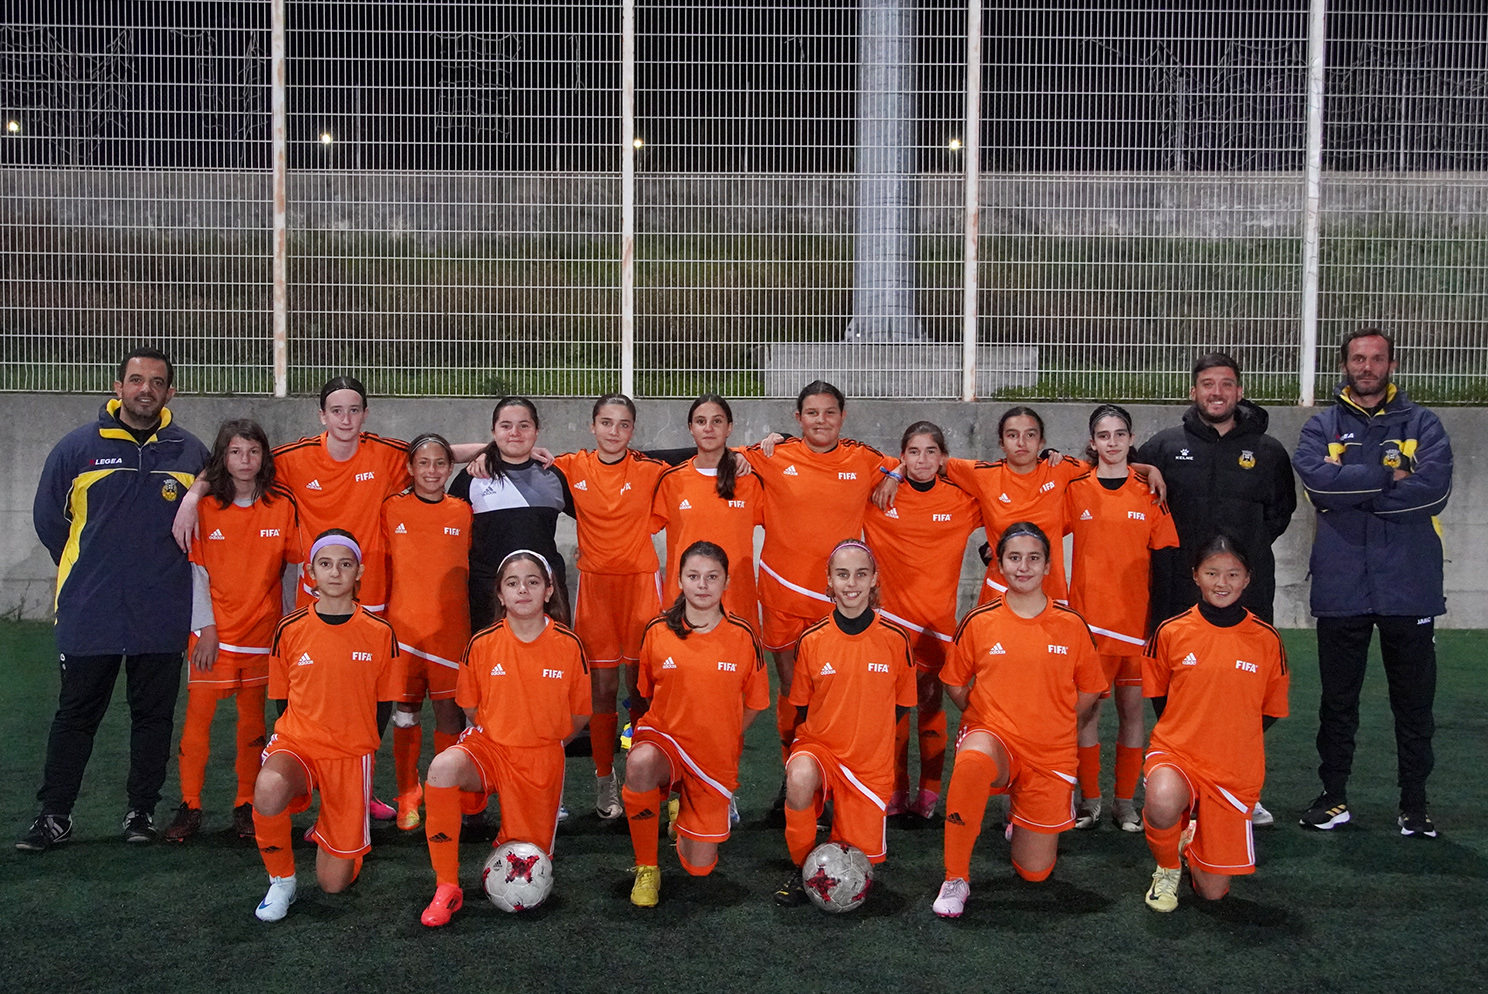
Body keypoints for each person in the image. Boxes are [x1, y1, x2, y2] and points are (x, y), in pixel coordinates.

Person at [20, 347, 210, 851]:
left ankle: (140, 813)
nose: (144, 389)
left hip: (162, 611)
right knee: (76, 715)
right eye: (135, 380)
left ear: (171, 392)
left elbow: (211, 521)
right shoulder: (76, 447)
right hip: (91, 610)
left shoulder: (190, 452)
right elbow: (48, 519)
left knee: (153, 718)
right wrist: (92, 567)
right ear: (118, 387)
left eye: (156, 382)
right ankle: (55, 814)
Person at [1292, 329, 1452, 837]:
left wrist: (1351, 485)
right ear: (1344, 365)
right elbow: (1318, 485)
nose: (1367, 367)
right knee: (1338, 702)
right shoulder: (1322, 424)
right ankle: (1334, 797)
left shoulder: (1424, 422)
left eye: (1376, 358)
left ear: (1392, 363)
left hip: (1410, 584)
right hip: (1342, 586)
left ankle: (1414, 805)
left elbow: (1434, 492)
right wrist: (1389, 476)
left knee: (1414, 703)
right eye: (1358, 358)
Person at [1135, 352, 1295, 828]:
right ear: (1193, 392)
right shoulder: (1163, 446)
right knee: (1170, 687)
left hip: (1246, 594)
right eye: (1208, 384)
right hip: (1176, 592)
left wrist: (1235, 566)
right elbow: (1126, 488)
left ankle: (1238, 782)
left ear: (1239, 392)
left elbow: (1279, 515)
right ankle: (1174, 777)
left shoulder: (1268, 451)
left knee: (1246, 688)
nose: (1217, 393)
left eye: (1226, 384)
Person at [931, 523, 1104, 918]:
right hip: (996, 738)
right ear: (999, 565)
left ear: (1047, 566)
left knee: (1034, 874)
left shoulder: (1072, 625)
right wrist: (982, 715)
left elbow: (1091, 689)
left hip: (1050, 753)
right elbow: (954, 682)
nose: (1023, 566)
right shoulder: (979, 621)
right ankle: (955, 877)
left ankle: (1020, 818)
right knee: (972, 764)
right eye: (1014, 558)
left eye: (1033, 558)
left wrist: (1058, 720)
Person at [744, 382, 897, 808]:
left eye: (830, 412)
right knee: (793, 689)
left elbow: (907, 461)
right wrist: (765, 440)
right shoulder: (774, 455)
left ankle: (834, 779)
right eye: (812, 413)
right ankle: (795, 774)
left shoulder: (865, 460)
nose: (821, 421)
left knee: (833, 692)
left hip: (836, 600)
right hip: (781, 595)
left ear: (842, 416)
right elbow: (723, 454)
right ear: (798, 419)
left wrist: (897, 473)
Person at [418, 550, 590, 928]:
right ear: (500, 595)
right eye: (512, 583)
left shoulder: (568, 645)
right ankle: (447, 886)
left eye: (532, 582)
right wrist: (501, 731)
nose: (523, 590)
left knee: (525, 861)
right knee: (443, 768)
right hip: (490, 749)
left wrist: (545, 741)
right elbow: (471, 707)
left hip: (540, 759)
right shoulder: (481, 644)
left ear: (548, 591)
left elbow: (579, 715)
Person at [250, 529, 400, 922]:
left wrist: (361, 745)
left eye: (345, 564)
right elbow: (282, 701)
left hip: (350, 755)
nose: (335, 573)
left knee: (334, 884)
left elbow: (384, 705)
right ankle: (281, 880)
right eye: (326, 564)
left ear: (359, 572)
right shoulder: (290, 629)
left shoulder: (381, 633)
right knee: (268, 787)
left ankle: (338, 830)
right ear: (310, 573)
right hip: (299, 746)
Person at [165, 419, 302, 843]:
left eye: (253, 452)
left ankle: (245, 805)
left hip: (262, 635)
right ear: (222, 458)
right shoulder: (205, 509)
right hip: (213, 636)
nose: (245, 461)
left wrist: (288, 630)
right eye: (235, 452)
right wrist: (204, 627)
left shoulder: (281, 506)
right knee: (197, 724)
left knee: (252, 726)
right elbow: (197, 573)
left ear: (265, 457)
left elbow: (292, 571)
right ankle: (190, 805)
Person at [1140, 534, 1289, 912]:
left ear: (1247, 579)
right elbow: (1160, 697)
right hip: (1179, 754)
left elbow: (1270, 710)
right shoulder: (1171, 631)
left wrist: (1231, 738)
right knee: (1161, 800)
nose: (1222, 583)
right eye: (1212, 573)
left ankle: (1190, 840)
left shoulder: (1266, 640)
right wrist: (1190, 730)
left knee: (1213, 893)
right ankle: (1167, 866)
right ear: (1196, 576)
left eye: (1232, 574)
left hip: (1233, 769)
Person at [623, 542, 769, 907]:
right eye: (693, 576)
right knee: (639, 762)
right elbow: (642, 694)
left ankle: (681, 807)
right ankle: (647, 867)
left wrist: (723, 731)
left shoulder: (744, 636)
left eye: (711, 577)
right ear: (680, 581)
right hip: (666, 741)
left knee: (699, 866)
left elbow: (754, 704)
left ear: (726, 582)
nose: (702, 585)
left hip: (713, 757)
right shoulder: (658, 630)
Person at [774, 540, 916, 907]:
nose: (851, 583)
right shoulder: (811, 640)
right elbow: (802, 709)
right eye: (842, 574)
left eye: (860, 574)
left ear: (874, 581)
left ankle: (844, 830)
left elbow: (901, 707)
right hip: (822, 749)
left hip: (869, 765)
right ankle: (802, 864)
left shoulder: (896, 640)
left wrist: (868, 734)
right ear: (830, 582)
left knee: (861, 861)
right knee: (801, 775)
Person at [549, 395, 670, 821]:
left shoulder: (651, 471)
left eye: (622, 424)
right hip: (596, 590)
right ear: (592, 426)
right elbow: (521, 455)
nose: (613, 431)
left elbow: (700, 456)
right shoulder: (571, 465)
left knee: (642, 689)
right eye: (606, 422)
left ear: (632, 430)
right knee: (601, 691)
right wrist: (481, 459)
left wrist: (772, 441)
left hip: (641, 588)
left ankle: (645, 778)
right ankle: (605, 783)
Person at [1064, 404, 1179, 832]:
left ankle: (1125, 802)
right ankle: (1090, 800)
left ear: (1131, 439)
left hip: (1135, 626)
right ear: (1092, 443)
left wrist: (1160, 622)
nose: (1112, 442)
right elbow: (1041, 527)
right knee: (1086, 713)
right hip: (1088, 626)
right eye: (1103, 435)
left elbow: (1166, 554)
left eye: (1119, 434)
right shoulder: (1075, 488)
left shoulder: (1148, 490)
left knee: (1133, 711)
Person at [862, 421, 982, 819]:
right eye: (913, 452)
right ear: (902, 456)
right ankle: (895, 791)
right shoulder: (878, 497)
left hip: (937, 625)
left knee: (931, 707)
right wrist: (892, 472)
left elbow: (1000, 484)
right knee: (892, 711)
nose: (922, 460)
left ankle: (928, 793)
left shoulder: (962, 502)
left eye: (931, 452)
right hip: (891, 627)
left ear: (944, 458)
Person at [381, 433, 473, 831]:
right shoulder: (390, 509)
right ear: (409, 468)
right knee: (406, 713)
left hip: (451, 634)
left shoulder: (463, 511)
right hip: (403, 631)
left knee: (450, 714)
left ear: (449, 468)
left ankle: (444, 793)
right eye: (423, 463)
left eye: (440, 463)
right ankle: (407, 794)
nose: (432, 471)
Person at [448, 397, 574, 633]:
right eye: (506, 426)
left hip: (546, 594)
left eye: (524, 426)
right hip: (487, 595)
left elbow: (592, 518)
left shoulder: (554, 475)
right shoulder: (473, 476)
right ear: (493, 432)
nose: (515, 433)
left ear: (537, 431)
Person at [651, 394, 765, 632]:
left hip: (736, 603)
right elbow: (640, 529)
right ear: (690, 428)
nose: (709, 428)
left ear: (729, 428)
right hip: (684, 601)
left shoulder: (749, 480)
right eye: (701, 421)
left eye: (717, 421)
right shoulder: (672, 480)